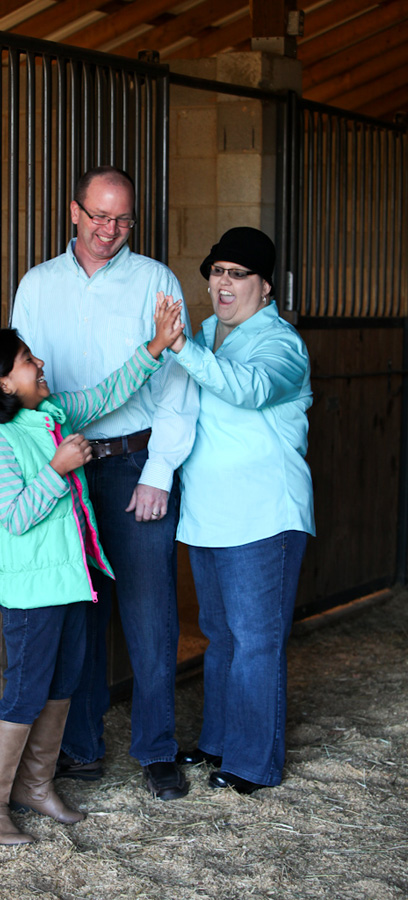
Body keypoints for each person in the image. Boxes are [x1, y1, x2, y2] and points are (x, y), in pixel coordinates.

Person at [0, 299, 184, 845]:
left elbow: (105, 393)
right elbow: (14, 516)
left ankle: (34, 787)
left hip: (72, 580)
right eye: (27, 360)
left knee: (63, 684)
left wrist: (154, 347)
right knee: (25, 693)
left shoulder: (51, 415)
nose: (39, 365)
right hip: (33, 590)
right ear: (4, 384)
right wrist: (59, 470)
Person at [11, 166, 199, 801]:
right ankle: (82, 749)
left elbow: (179, 384)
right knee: (78, 612)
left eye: (122, 220)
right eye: (99, 216)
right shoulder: (36, 285)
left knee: (151, 614)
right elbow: (28, 384)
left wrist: (159, 472)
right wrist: (45, 462)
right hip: (69, 464)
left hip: (132, 462)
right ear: (74, 211)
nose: (110, 231)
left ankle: (156, 750)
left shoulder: (157, 282)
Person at [165, 226, 315, 793]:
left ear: (266, 286)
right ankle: (218, 744)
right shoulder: (205, 333)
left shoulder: (281, 345)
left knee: (256, 640)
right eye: (217, 271)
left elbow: (248, 390)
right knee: (220, 636)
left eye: (238, 274)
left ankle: (253, 763)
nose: (223, 284)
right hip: (209, 514)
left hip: (263, 515)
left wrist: (182, 350)